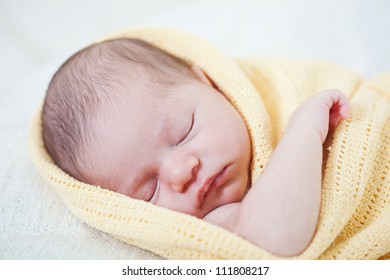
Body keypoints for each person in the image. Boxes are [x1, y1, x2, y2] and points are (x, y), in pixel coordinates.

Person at [42, 38, 349, 257]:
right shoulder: (219, 220)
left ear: (209, 83)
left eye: (183, 132)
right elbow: (278, 237)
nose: (180, 173)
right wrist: (304, 130)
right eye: (148, 190)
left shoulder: (279, 89)